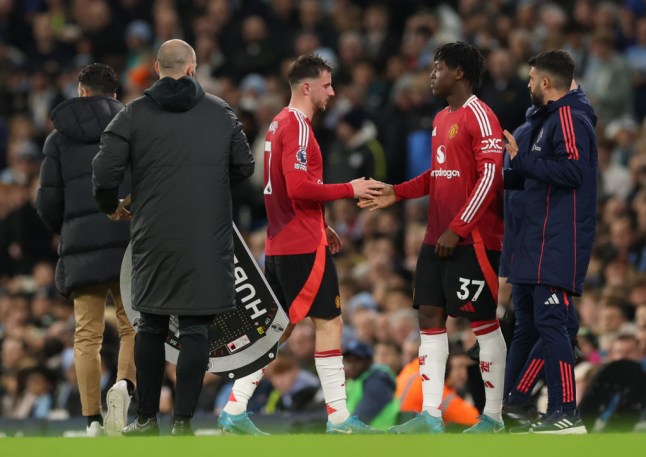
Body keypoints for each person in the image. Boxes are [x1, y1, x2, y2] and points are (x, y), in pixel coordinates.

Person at [92, 39, 254, 436]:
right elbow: (245, 166)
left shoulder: (133, 115)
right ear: (193, 67)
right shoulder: (220, 112)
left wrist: (111, 204)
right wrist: (210, 190)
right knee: (197, 328)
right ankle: (183, 421)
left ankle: (147, 419)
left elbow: (103, 171)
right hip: (206, 238)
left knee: (151, 324)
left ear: (155, 67)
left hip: (154, 237)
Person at [218, 54, 383, 435]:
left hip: (284, 240)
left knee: (280, 329)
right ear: (307, 87)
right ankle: (340, 420)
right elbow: (299, 187)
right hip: (301, 246)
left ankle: (234, 409)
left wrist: (321, 223)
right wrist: (350, 188)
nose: (332, 92)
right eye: (326, 85)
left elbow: (281, 190)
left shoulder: (276, 124)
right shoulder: (299, 127)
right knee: (329, 323)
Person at [360, 42, 507, 434]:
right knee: (428, 316)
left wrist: (458, 228)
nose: (431, 75)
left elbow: (492, 176)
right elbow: (437, 174)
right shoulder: (442, 118)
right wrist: (398, 191)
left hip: (471, 239)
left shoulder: (481, 115)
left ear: (458, 73)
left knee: (482, 323)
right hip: (435, 237)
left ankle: (493, 417)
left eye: (437, 67)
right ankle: (430, 415)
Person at [35, 63, 136, 437]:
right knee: (133, 326)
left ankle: (92, 420)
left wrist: (69, 229)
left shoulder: (57, 140)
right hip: (128, 243)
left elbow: (46, 203)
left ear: (81, 90)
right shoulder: (132, 129)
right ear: (114, 93)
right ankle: (125, 387)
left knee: (87, 335)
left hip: (80, 248)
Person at [503, 50, 598, 434]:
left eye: (530, 79)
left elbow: (574, 171)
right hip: (542, 236)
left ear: (545, 82)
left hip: (561, 236)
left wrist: (521, 161)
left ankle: (565, 411)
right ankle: (519, 401)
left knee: (552, 322)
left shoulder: (570, 117)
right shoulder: (547, 121)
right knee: (543, 322)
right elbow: (536, 178)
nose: (527, 84)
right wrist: (496, 173)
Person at [343, 339, 399, 430]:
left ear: (369, 361)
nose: (351, 366)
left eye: (356, 361)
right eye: (348, 361)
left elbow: (361, 418)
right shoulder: (354, 381)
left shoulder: (378, 381)